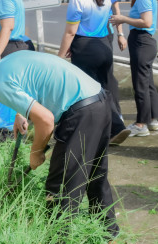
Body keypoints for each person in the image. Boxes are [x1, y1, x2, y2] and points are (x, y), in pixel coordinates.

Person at [0, 52, 120, 239]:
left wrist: (36, 152)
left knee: (61, 185)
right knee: (96, 174)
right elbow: (33, 82)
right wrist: (21, 113)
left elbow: (46, 120)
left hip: (82, 110)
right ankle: (108, 235)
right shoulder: (1, 66)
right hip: (99, 100)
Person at [58, 0, 130, 145]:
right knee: (104, 90)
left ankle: (102, 131)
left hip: (85, 48)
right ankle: (115, 127)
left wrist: (59, 58)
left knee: (88, 94)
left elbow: (71, 32)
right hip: (104, 46)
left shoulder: (77, 1)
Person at [110, 0, 158, 135]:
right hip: (145, 41)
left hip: (141, 41)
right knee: (147, 83)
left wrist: (123, 18)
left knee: (140, 85)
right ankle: (153, 119)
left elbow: (147, 22)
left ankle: (141, 125)